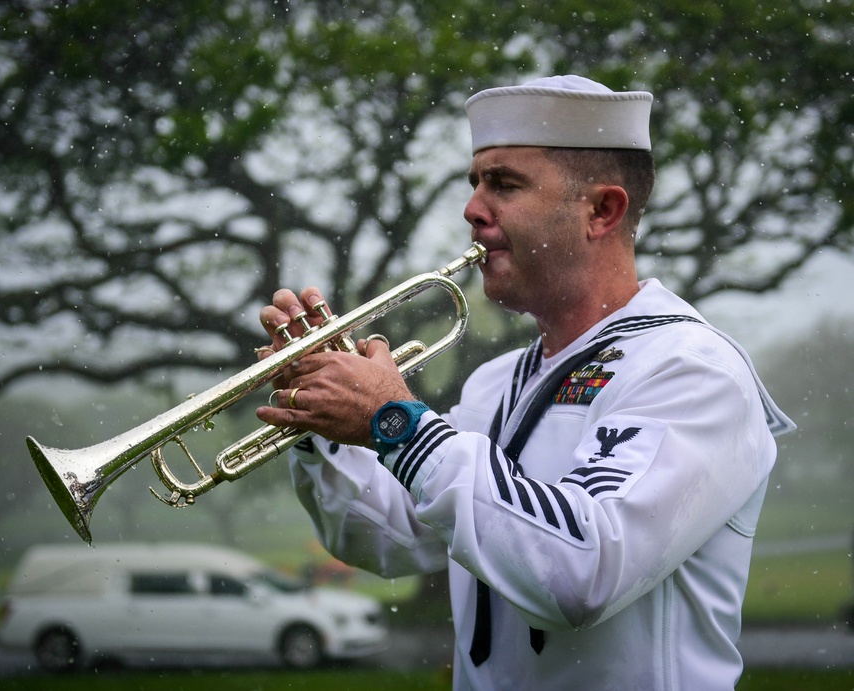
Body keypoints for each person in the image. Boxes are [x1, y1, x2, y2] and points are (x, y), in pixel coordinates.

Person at [254, 75, 794, 690]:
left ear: (602, 211)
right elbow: (384, 537)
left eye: (505, 184)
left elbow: (582, 574)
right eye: (475, 182)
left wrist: (395, 423)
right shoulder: (495, 381)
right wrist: (314, 415)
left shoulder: (691, 370)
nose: (472, 208)